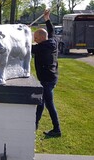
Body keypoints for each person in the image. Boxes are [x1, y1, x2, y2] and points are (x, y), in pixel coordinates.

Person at [32, 9, 61, 137]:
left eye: (35, 38)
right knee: (41, 102)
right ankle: (35, 123)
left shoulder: (41, 48)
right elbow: (51, 32)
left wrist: (22, 34)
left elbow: (26, 46)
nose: (34, 40)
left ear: (41, 39)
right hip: (51, 78)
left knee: (49, 104)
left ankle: (57, 129)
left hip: (47, 80)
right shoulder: (52, 42)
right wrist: (47, 19)